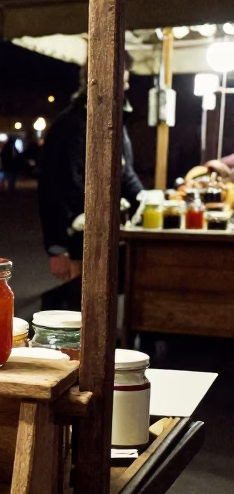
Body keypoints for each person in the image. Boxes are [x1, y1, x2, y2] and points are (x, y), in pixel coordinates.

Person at [37, 61, 143, 311]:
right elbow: (52, 189)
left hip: (107, 234)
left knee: (100, 307)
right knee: (79, 312)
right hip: (77, 238)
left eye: (126, 84)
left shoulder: (115, 122)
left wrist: (148, 201)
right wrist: (56, 247)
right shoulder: (69, 126)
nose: (125, 90)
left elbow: (125, 173)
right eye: (121, 84)